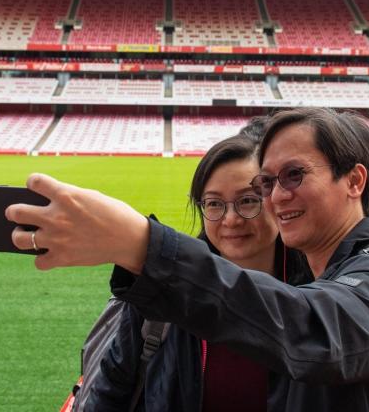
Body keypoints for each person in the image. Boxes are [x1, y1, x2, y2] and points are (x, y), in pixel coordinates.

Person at [7, 107, 369, 412]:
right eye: (267, 184)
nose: (278, 196)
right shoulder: (325, 273)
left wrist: (142, 244)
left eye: (294, 175)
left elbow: (314, 333)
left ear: (354, 180)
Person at [79, 129, 310, 411]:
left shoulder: (319, 288)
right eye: (214, 203)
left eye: (248, 200)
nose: (231, 219)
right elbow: (111, 390)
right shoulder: (160, 288)